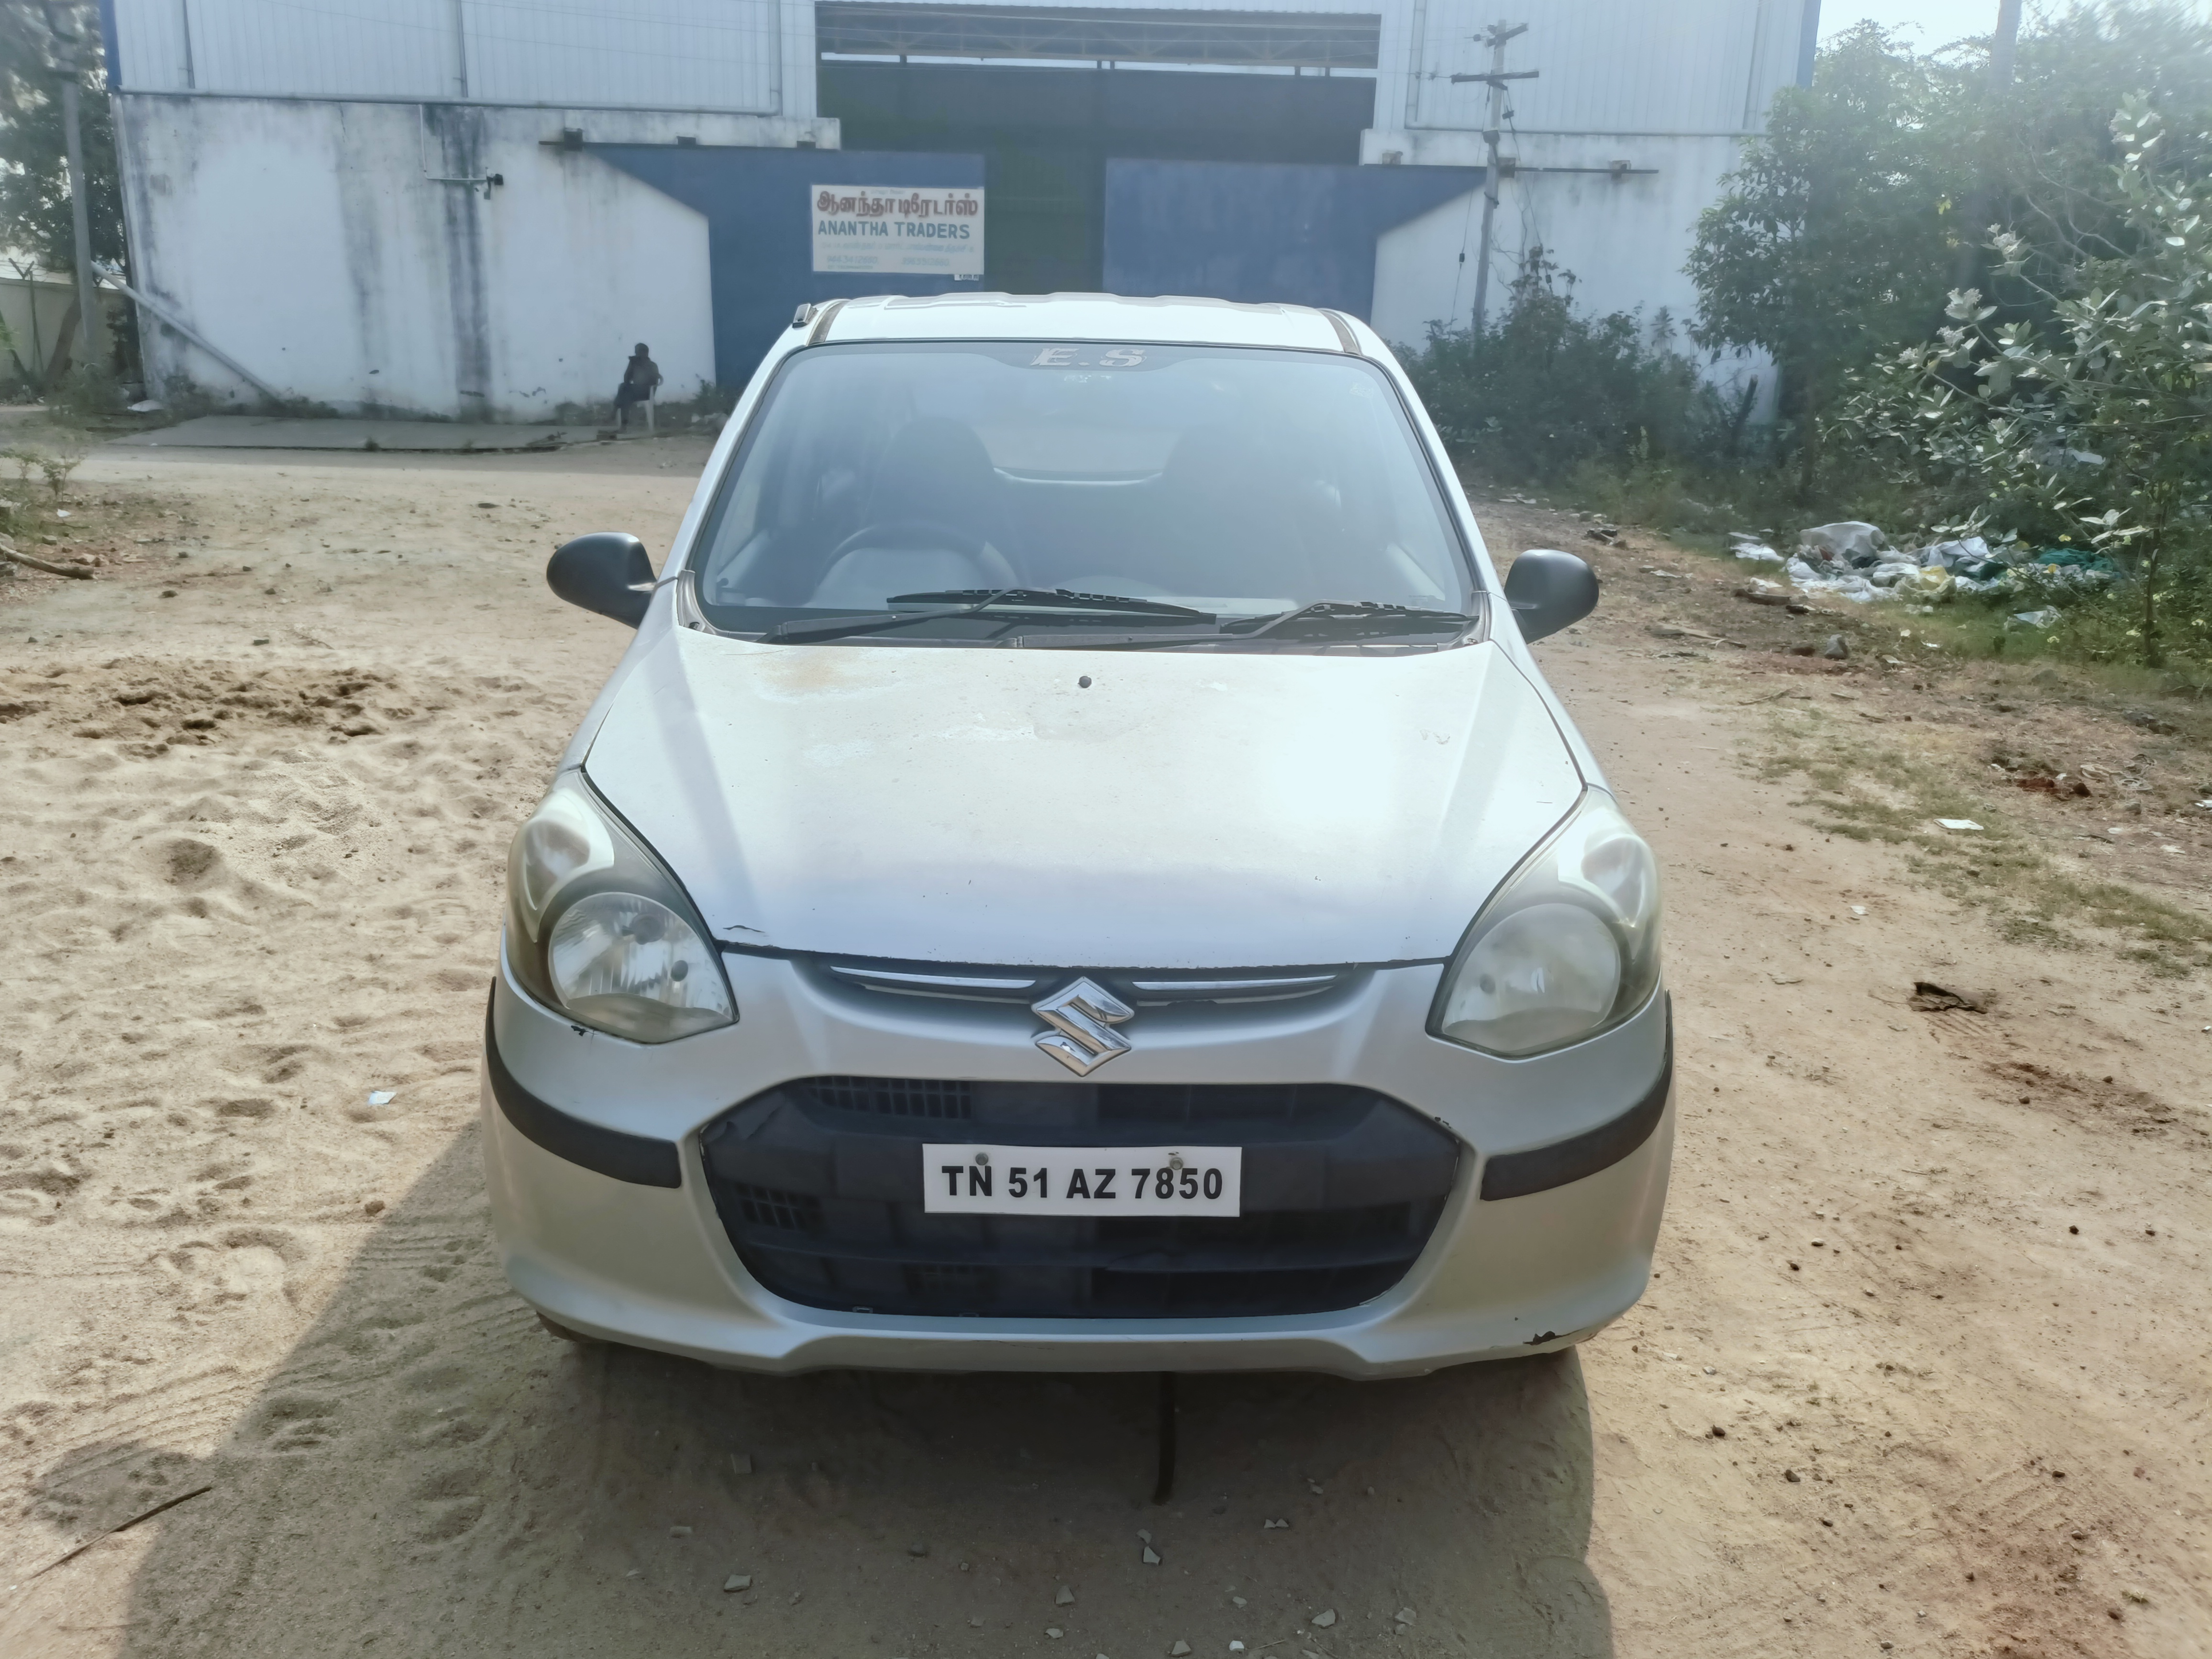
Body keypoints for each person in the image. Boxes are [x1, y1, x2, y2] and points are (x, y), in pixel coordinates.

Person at [614, 343, 661, 431]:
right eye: (636, 353)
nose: (636, 355)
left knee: (624, 389)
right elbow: (626, 380)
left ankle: (614, 412)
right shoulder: (635, 364)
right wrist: (631, 365)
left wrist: (642, 366)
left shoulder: (652, 365)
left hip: (647, 393)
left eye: (638, 353)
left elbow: (652, 381)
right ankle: (623, 426)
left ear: (645, 353)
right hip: (635, 393)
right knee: (624, 393)